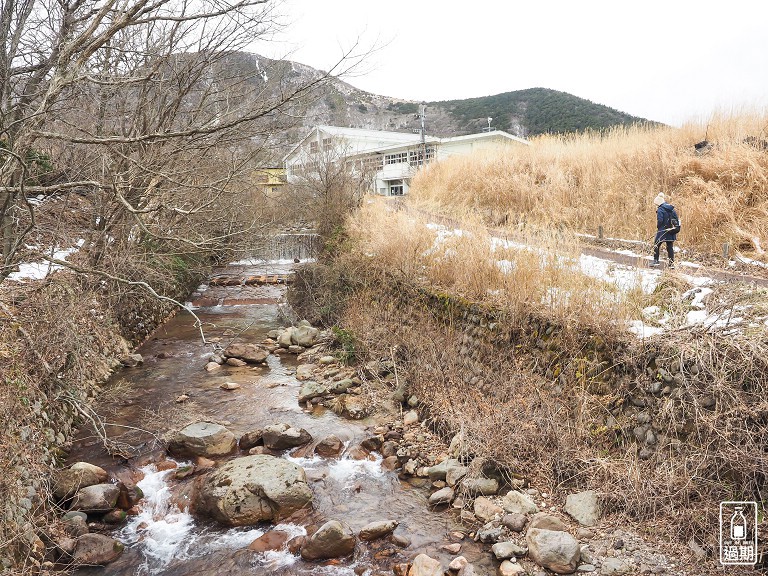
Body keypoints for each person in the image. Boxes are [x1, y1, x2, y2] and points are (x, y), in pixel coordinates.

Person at [651, 193, 678, 268]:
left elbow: (660, 220)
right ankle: (671, 264)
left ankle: (656, 261)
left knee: (656, 244)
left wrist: (658, 227)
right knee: (670, 247)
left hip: (662, 231)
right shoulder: (671, 208)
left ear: (658, 203)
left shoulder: (660, 209)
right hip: (671, 230)